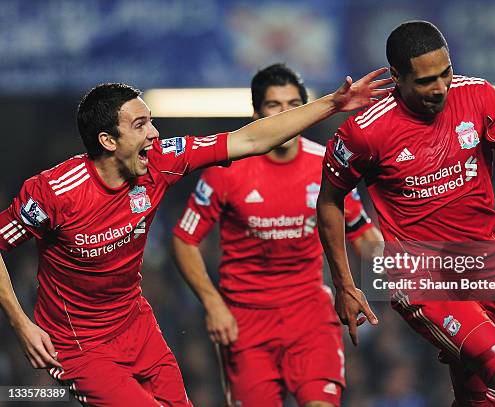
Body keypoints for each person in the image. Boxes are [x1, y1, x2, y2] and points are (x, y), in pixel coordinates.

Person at [0, 68, 391, 406]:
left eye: (151, 121)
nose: (155, 133)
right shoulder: (53, 193)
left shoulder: (161, 161)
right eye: (140, 126)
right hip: (79, 344)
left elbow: (250, 140)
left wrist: (333, 104)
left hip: (137, 326)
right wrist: (21, 323)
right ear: (107, 141)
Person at [317, 21, 495, 407]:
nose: (439, 88)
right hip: (418, 275)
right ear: (397, 78)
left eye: (445, 73)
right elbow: (329, 201)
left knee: (476, 396)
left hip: (483, 268)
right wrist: (344, 283)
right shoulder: (364, 133)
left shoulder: (479, 96)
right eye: (425, 81)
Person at [172, 63, 384, 407]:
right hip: (246, 322)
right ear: (256, 112)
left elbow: (363, 234)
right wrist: (213, 303)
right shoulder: (227, 173)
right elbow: (184, 239)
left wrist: (399, 269)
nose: (287, 115)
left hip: (310, 314)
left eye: (294, 105)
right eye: (275, 106)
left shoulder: (327, 166)